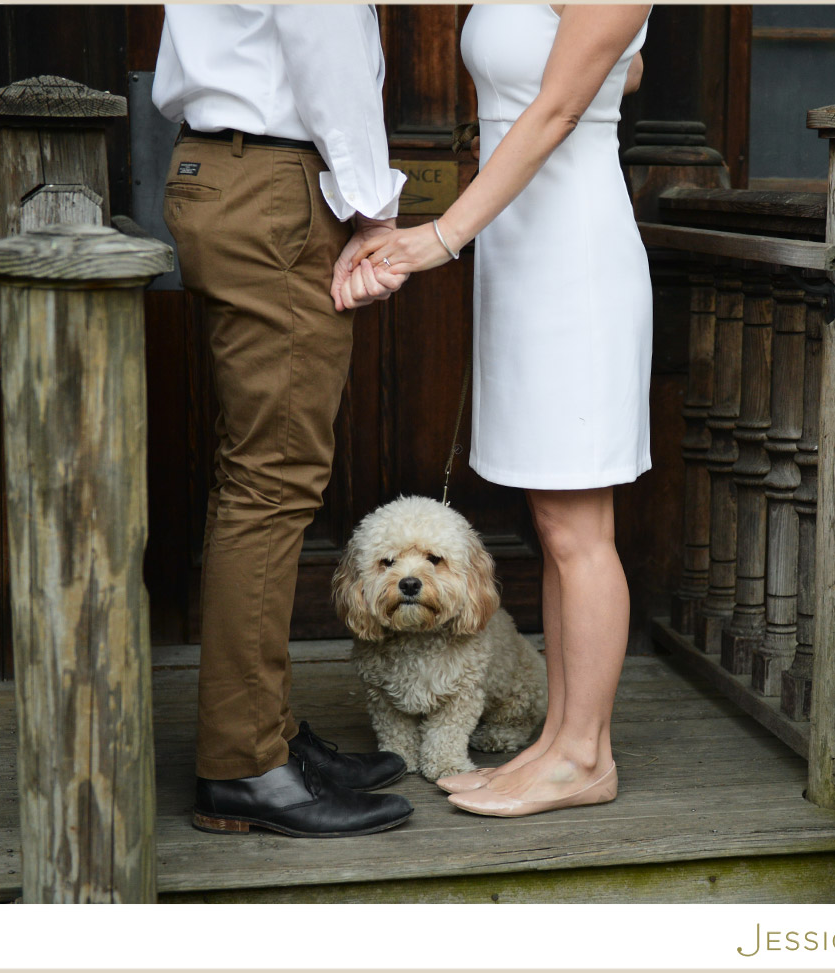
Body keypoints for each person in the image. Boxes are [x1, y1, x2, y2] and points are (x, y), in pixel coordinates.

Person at [338, 3, 652, 818]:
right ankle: (560, 739)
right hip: (520, 249)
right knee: (552, 521)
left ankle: (586, 756)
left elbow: (557, 107)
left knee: (581, 528)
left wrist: (436, 238)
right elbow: (624, 68)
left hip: (574, 252)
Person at [153, 4, 415, 837]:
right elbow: (324, 36)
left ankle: (269, 734)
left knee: (256, 473)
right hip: (272, 183)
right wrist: (373, 207)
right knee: (271, 480)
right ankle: (244, 764)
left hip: (223, 169)